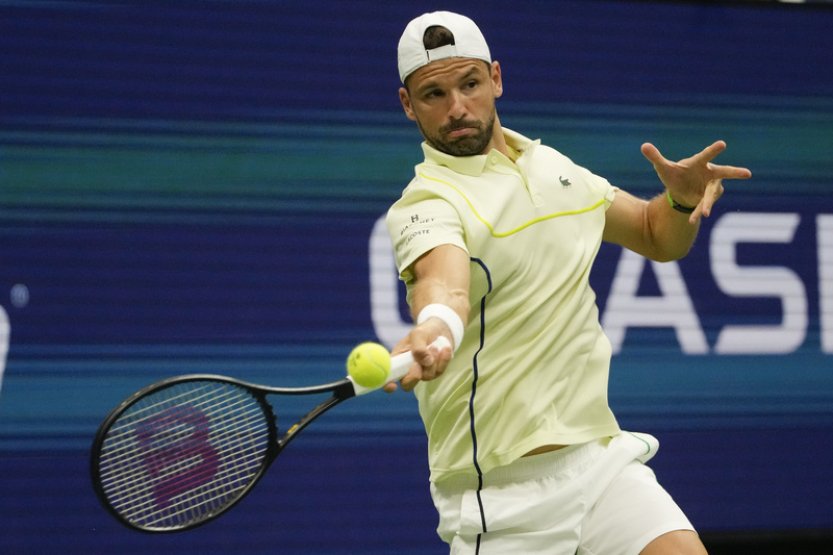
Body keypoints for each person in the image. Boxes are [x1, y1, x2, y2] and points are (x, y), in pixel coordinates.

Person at [384, 10, 751, 555]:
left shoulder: (552, 166)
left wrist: (678, 201)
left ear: (497, 80)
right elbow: (445, 286)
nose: (457, 108)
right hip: (501, 495)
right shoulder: (427, 204)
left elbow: (656, 236)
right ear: (408, 105)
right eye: (434, 94)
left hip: (597, 462)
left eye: (470, 84)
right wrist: (436, 326)